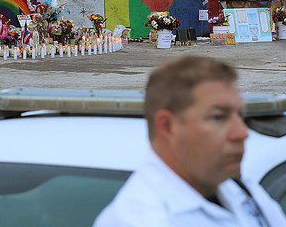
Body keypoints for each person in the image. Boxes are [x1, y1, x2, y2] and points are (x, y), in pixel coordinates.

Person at [95, 56, 268, 226]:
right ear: (167, 126)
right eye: (218, 117)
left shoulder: (240, 191)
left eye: (240, 115)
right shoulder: (142, 220)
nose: (242, 133)